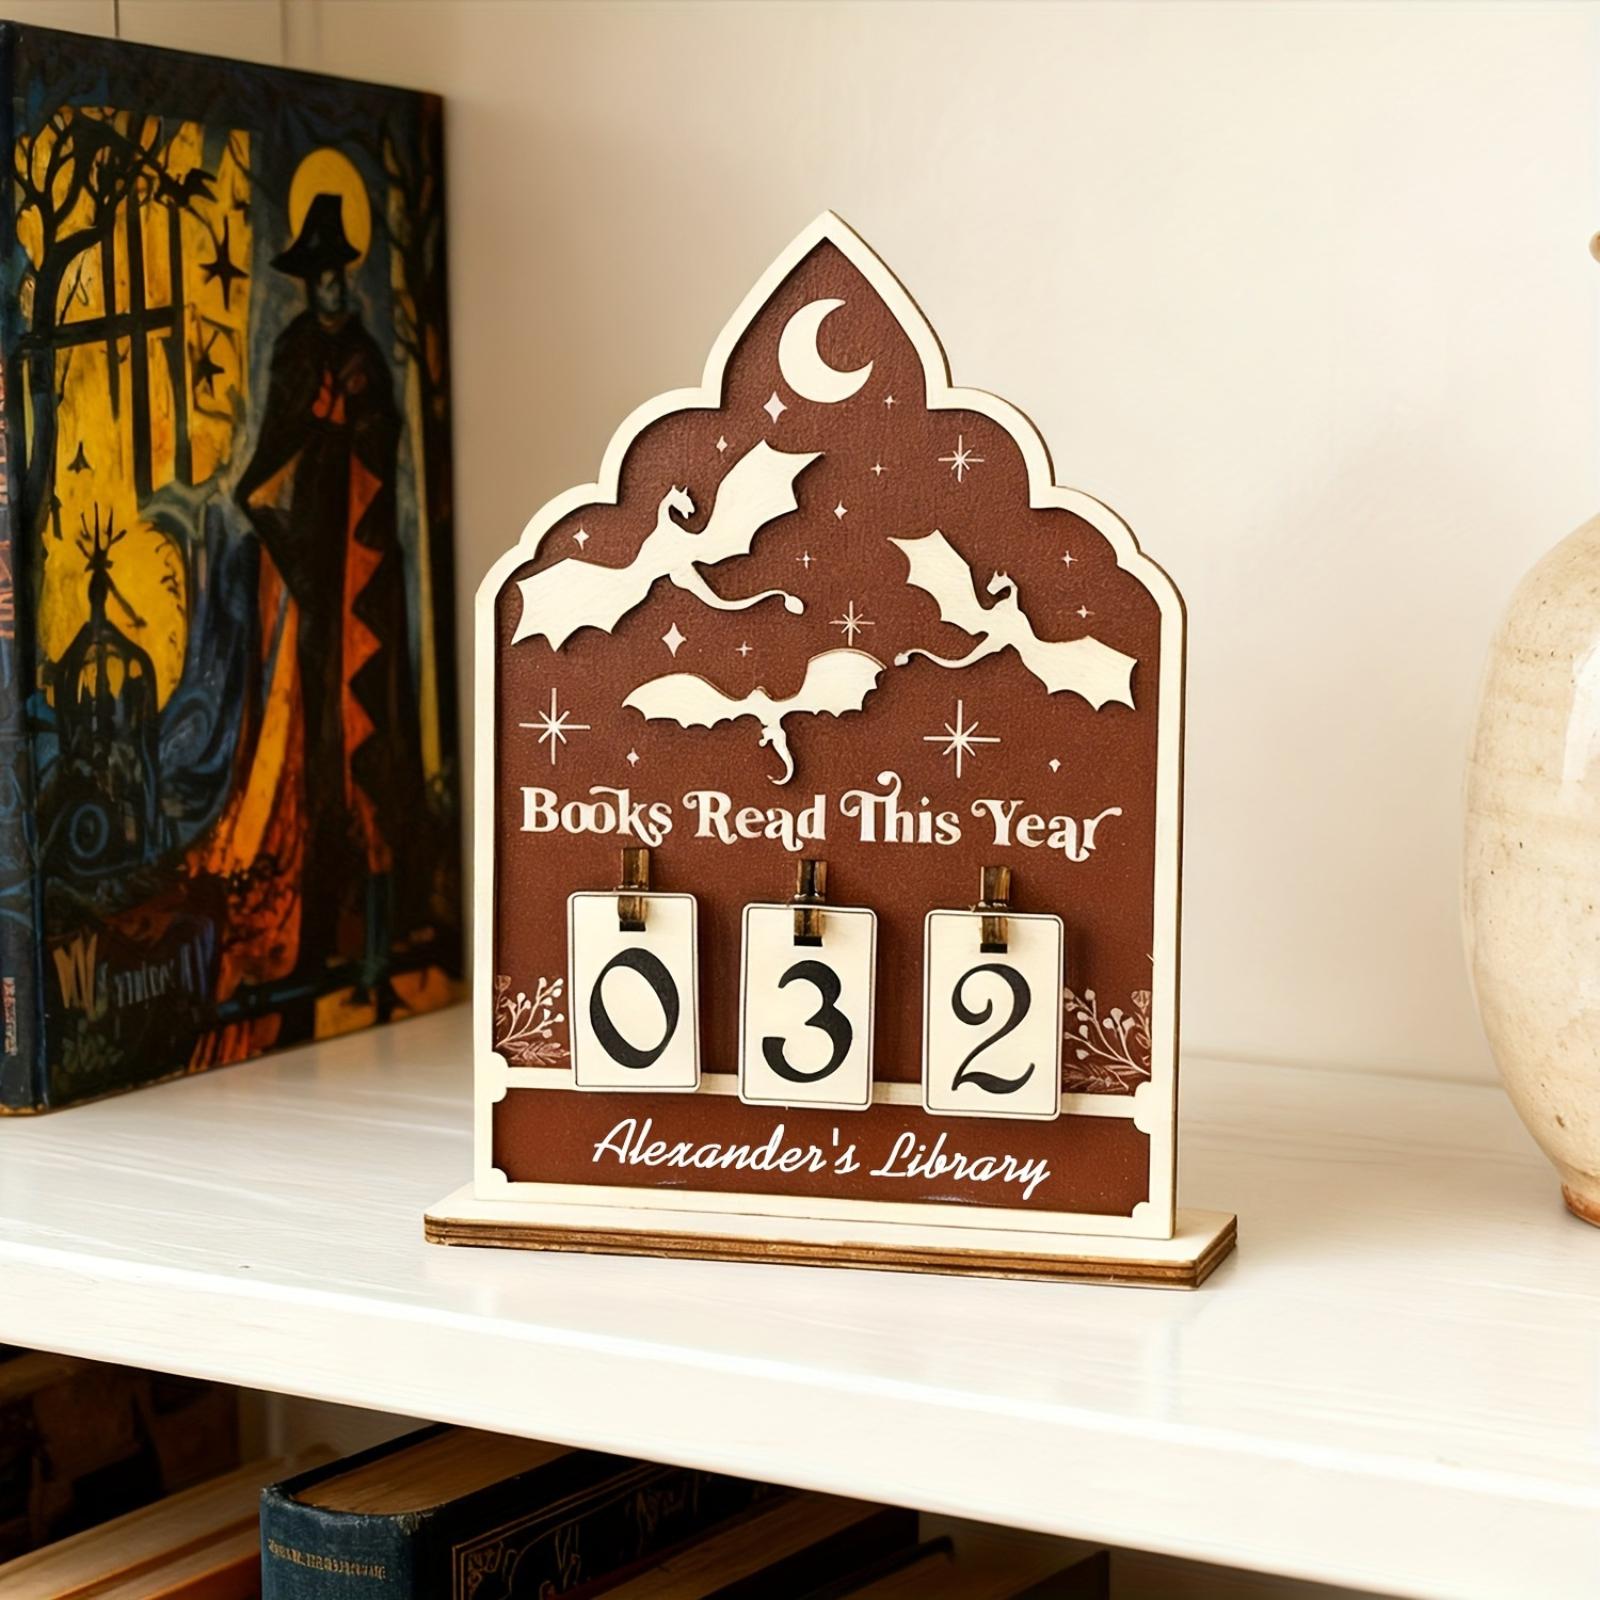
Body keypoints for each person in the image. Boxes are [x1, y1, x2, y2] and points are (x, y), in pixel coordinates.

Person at [235, 190, 423, 1017]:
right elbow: (268, 462)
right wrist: (320, 422)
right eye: (318, 274)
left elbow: (387, 434)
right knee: (325, 747)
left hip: (369, 572)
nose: (331, 284)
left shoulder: (369, 353)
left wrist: (356, 418)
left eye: (338, 270)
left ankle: (379, 950)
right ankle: (327, 943)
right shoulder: (294, 349)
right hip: (320, 565)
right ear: (306, 281)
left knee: (374, 738)